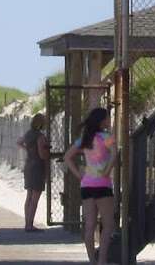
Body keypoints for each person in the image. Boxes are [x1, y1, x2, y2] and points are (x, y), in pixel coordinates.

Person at [64, 107, 117, 265]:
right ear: (102, 121)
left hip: (86, 185)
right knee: (108, 225)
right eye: (107, 118)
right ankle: (101, 260)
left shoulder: (85, 138)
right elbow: (115, 153)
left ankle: (92, 260)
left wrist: (79, 175)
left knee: (89, 226)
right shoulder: (107, 137)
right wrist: (107, 170)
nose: (109, 120)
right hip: (103, 184)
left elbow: (67, 157)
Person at [17, 113, 49, 231]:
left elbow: (19, 142)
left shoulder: (28, 134)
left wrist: (29, 150)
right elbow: (42, 154)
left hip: (29, 164)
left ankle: (27, 223)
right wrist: (47, 154)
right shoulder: (40, 137)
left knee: (29, 196)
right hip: (37, 167)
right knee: (35, 198)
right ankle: (29, 225)